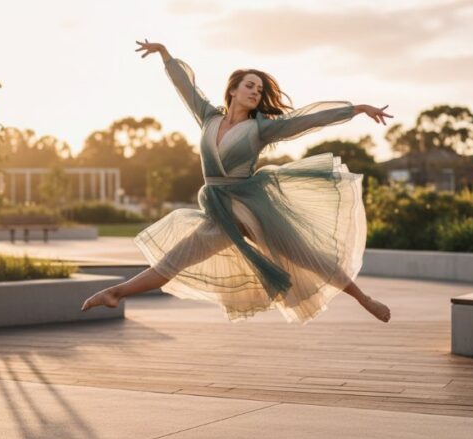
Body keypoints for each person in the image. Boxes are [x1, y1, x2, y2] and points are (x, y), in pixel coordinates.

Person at [82, 39, 392, 324]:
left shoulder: (261, 129)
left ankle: (364, 299)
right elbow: (187, 87)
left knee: (305, 255)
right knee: (172, 262)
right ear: (233, 90)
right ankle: (115, 293)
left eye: (259, 89)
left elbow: (306, 120)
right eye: (250, 85)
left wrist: (357, 109)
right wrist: (166, 55)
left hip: (251, 208)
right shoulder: (209, 118)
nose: (256, 91)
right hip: (219, 214)